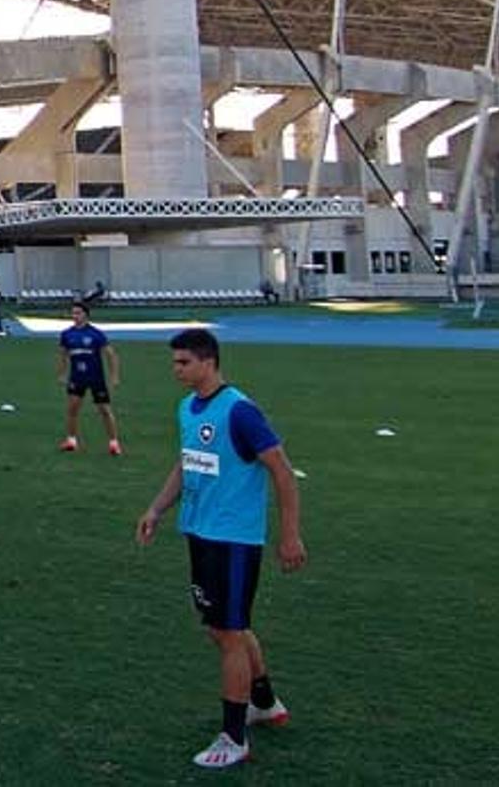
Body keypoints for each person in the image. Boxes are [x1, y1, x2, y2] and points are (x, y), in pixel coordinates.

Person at [136, 328, 305, 769]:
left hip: (233, 539)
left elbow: (283, 473)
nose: (176, 370)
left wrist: (290, 535)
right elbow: (186, 462)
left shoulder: (240, 412)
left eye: (183, 363)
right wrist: (156, 509)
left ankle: (234, 736)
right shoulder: (187, 408)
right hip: (200, 533)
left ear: (208, 362)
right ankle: (263, 701)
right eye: (174, 363)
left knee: (229, 632)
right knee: (222, 627)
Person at [57, 301, 124, 455]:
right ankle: (71, 440)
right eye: (73, 313)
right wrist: (62, 373)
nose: (75, 316)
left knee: (105, 410)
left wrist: (114, 376)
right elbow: (62, 354)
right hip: (76, 378)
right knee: (72, 409)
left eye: (78, 313)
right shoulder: (67, 334)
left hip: (95, 378)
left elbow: (111, 355)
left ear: (86, 315)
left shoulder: (95, 334)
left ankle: (114, 443)